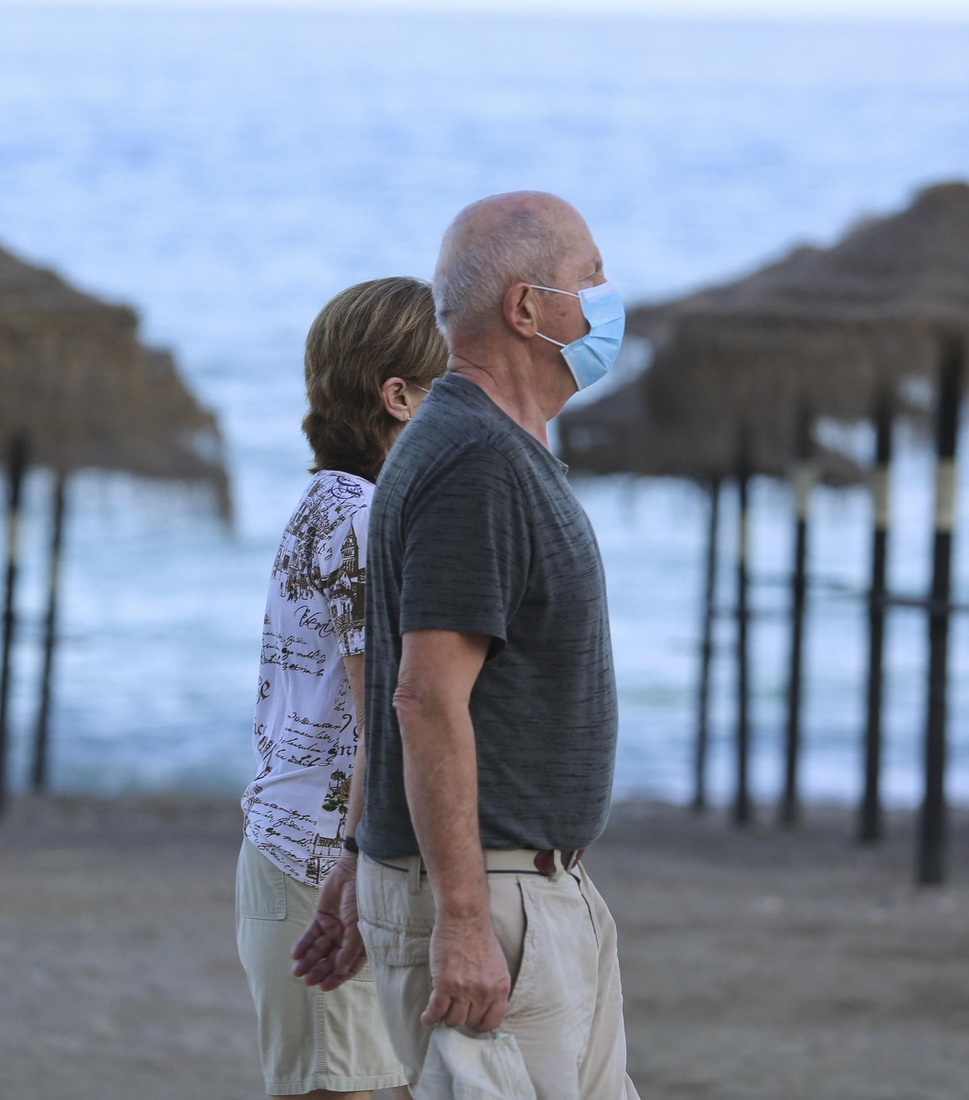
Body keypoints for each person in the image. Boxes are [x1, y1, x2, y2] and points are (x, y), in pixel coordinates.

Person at [294, 191, 640, 1098]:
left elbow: (414, 687)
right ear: (528, 310)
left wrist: (370, 846)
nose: (608, 299)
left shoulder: (493, 448)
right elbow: (424, 695)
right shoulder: (475, 460)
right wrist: (461, 918)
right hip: (497, 895)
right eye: (590, 278)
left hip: (538, 887)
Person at [238, 276, 446, 1100]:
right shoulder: (363, 516)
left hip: (305, 854)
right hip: (323, 868)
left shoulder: (327, 502)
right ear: (399, 397)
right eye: (452, 387)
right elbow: (380, 718)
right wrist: (363, 863)